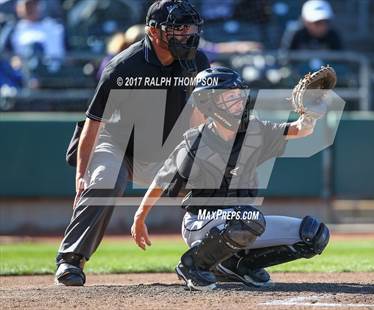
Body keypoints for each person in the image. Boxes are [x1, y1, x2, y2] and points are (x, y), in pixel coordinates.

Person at [131, 67, 330, 291]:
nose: (239, 101)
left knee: (314, 235)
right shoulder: (195, 142)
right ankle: (193, 265)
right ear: (209, 102)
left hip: (243, 221)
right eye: (229, 96)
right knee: (248, 217)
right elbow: (161, 181)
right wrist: (140, 217)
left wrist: (310, 115)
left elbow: (299, 130)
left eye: (239, 95)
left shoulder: (255, 130)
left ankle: (239, 266)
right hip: (201, 223)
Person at [55, 0, 210, 287]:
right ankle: (71, 259)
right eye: (176, 28)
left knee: (215, 176)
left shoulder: (196, 61)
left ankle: (222, 258)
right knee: (104, 180)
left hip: (166, 149)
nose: (186, 34)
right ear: (153, 31)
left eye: (188, 27)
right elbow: (94, 121)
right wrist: (81, 175)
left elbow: (198, 119)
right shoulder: (123, 65)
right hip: (117, 146)